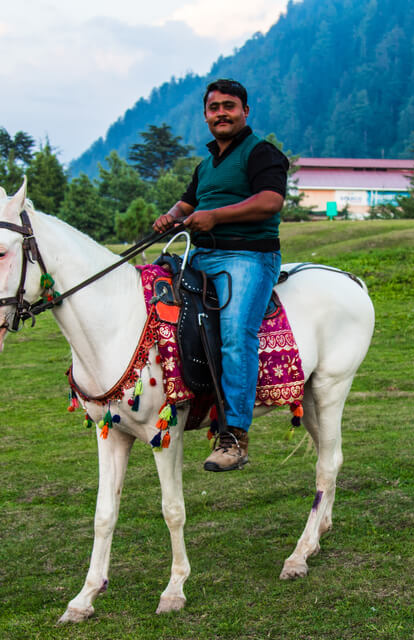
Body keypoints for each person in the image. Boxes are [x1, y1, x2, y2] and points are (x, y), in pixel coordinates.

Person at [152, 79, 289, 472]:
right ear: (206, 115)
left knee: (234, 332)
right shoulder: (207, 163)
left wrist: (215, 217)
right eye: (214, 108)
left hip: (247, 257)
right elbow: (188, 202)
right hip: (201, 255)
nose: (221, 113)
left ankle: (234, 435)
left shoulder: (261, 153)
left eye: (229, 106)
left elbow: (271, 201)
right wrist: (172, 217)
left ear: (246, 111)